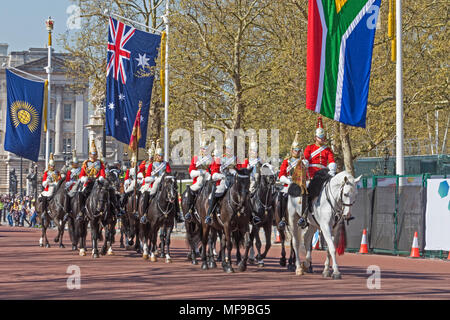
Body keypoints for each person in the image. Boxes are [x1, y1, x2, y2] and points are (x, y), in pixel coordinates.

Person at [302, 117, 336, 225]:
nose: (321, 139)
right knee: (306, 192)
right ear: (315, 138)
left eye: (323, 137)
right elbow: (306, 158)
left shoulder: (327, 149)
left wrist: (332, 168)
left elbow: (331, 160)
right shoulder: (310, 148)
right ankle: (304, 215)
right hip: (312, 175)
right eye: (319, 137)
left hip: (324, 174)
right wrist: (305, 162)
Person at [144, 140, 183, 223]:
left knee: (174, 195)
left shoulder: (166, 164)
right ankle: (144, 214)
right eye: (159, 156)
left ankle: (177, 215)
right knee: (148, 194)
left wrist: (165, 178)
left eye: (162, 156)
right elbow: (147, 177)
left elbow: (168, 172)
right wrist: (154, 179)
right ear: (156, 156)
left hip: (165, 182)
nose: (161, 157)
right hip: (154, 183)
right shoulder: (152, 165)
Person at [277, 131, 307, 229]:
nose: (297, 152)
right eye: (295, 150)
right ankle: (282, 219)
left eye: (298, 150)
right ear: (292, 150)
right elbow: (281, 175)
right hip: (289, 184)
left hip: (300, 184)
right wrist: (289, 182)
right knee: (282, 196)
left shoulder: (303, 161)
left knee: (307, 195)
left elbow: (307, 174)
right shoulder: (287, 161)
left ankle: (304, 217)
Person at [205, 137, 237, 225]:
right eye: (227, 148)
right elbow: (214, 174)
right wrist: (222, 176)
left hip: (235, 182)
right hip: (223, 182)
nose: (229, 150)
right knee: (216, 194)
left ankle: (251, 216)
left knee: (245, 195)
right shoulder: (219, 159)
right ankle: (209, 215)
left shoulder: (236, 159)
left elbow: (241, 170)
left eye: (231, 148)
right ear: (225, 149)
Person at [185, 129, 212, 222]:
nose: (204, 150)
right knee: (192, 190)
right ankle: (189, 210)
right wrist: (200, 172)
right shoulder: (196, 158)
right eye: (203, 149)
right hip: (198, 180)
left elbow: (213, 169)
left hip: (208, 180)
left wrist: (210, 174)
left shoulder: (210, 158)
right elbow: (191, 171)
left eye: (206, 149)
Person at [63, 150, 81, 221]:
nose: (76, 164)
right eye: (74, 163)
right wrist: (71, 183)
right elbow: (67, 180)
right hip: (72, 185)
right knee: (68, 195)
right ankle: (67, 212)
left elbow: (82, 176)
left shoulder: (80, 169)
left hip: (80, 184)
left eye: (77, 163)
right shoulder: (70, 171)